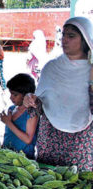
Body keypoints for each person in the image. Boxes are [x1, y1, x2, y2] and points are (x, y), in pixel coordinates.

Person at [23, 16, 93, 170]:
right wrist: (31, 100)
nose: (64, 40)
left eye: (71, 36)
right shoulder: (51, 68)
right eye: (64, 35)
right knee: (46, 186)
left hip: (81, 143)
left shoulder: (91, 71)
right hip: (50, 140)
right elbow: (39, 106)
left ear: (85, 39)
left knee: (78, 188)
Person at [0, 74, 38, 159]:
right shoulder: (11, 109)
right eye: (10, 94)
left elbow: (28, 140)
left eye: (15, 95)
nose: (11, 97)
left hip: (24, 159)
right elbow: (8, 134)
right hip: (7, 156)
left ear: (26, 96)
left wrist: (8, 123)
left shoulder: (31, 113)